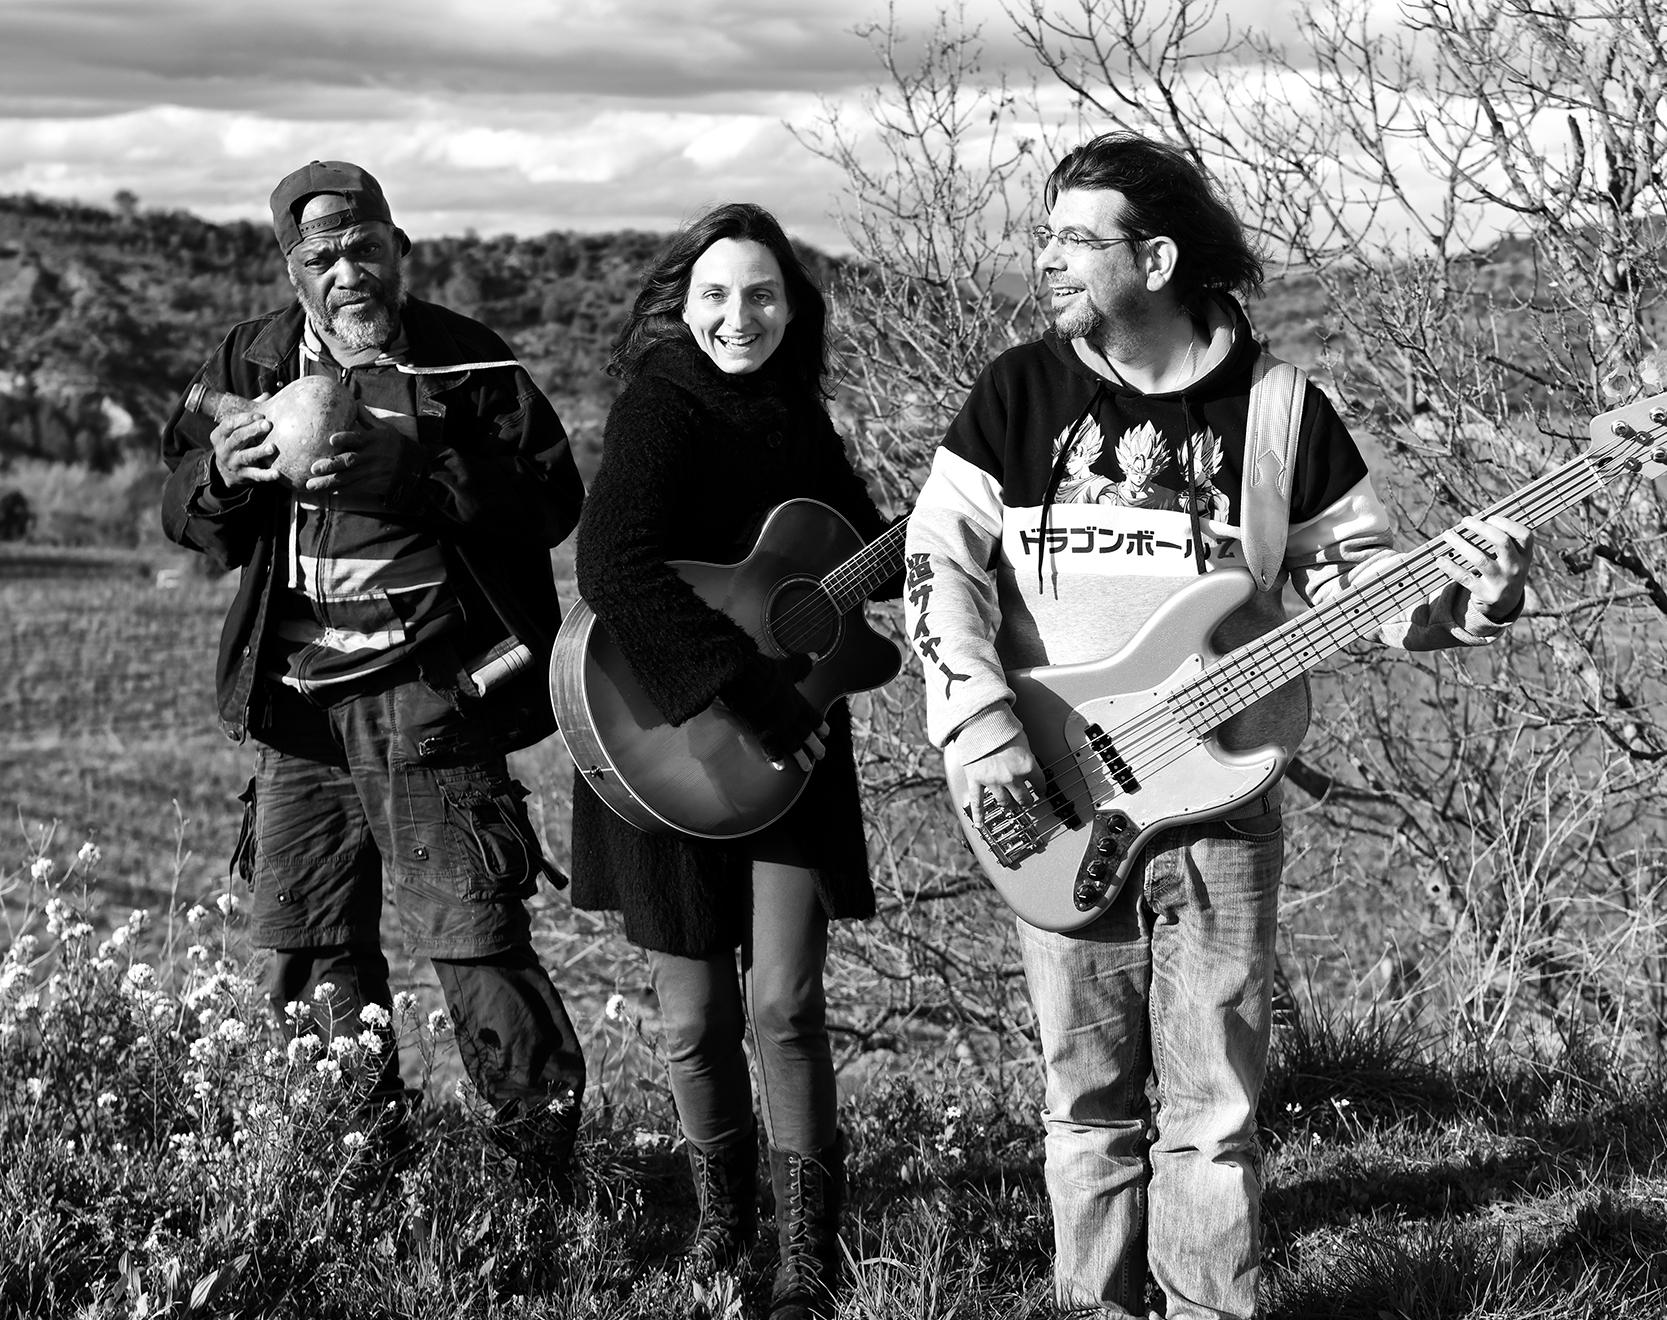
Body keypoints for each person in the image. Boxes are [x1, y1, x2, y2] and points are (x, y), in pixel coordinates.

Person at [904, 132, 1535, 1318]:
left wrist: (1472, 600)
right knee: (1084, 1104)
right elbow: (936, 566)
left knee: (1214, 1112)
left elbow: (1358, 590)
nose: (1045, 259)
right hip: (1049, 785)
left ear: (1154, 259)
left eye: (1073, 239)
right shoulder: (1015, 392)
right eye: (1045, 236)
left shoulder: (1280, 412)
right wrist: (979, 727)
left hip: (1223, 798)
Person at [159, 160, 588, 1193]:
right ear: (292, 271)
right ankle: (354, 1188)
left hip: (430, 693)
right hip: (299, 702)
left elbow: (551, 502)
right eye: (322, 259)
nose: (347, 273)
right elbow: (182, 509)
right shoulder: (251, 360)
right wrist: (219, 476)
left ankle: (540, 1191)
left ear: (399, 250)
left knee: (474, 939)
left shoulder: (469, 364)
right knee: (307, 946)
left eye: (363, 249)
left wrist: (423, 477)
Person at [568, 202, 898, 1318]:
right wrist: (750, 690)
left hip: (791, 749)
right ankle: (723, 1222)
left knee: (787, 1006)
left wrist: (955, 520)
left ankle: (808, 1254)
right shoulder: (660, 404)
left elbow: (863, 553)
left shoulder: (799, 413)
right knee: (691, 1019)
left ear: (793, 308)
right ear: (683, 303)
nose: (737, 316)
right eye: (715, 294)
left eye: (761, 295)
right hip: (669, 733)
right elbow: (613, 567)